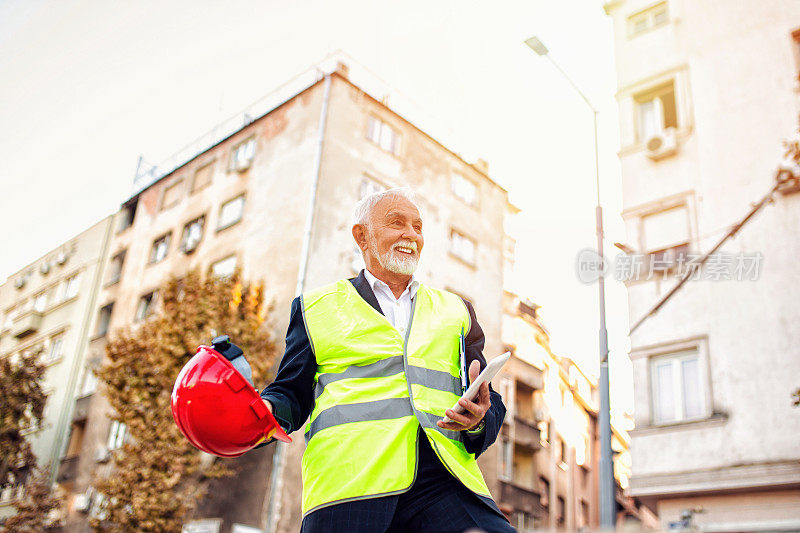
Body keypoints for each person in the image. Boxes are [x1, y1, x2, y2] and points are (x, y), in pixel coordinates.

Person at [260, 187, 515, 533]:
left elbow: (488, 398)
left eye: (418, 227)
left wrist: (479, 418)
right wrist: (261, 412)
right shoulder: (314, 309)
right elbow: (290, 394)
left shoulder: (457, 312)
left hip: (443, 482)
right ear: (361, 236)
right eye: (397, 223)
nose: (411, 235)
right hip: (347, 486)